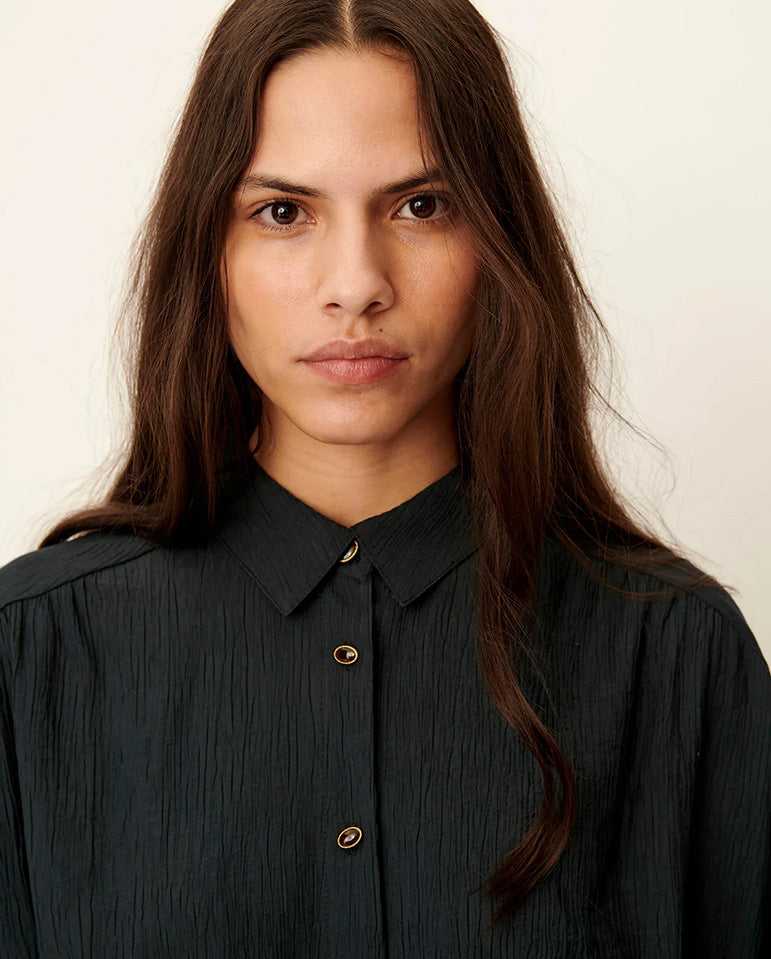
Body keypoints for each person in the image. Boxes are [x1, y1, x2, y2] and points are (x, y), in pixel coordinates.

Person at [0, 0, 768, 955]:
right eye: (283, 212)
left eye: (421, 206)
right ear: (207, 250)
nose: (356, 283)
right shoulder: (31, 652)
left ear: (498, 240)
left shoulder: (677, 655)